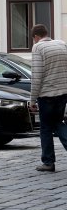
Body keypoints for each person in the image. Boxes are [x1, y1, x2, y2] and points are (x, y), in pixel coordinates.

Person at [30, 24, 67, 172]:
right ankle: (48, 161)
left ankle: (48, 162)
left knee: (45, 128)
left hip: (47, 95)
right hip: (63, 92)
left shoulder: (38, 48)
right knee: (59, 123)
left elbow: (37, 75)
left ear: (36, 37)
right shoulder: (62, 44)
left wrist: (32, 100)